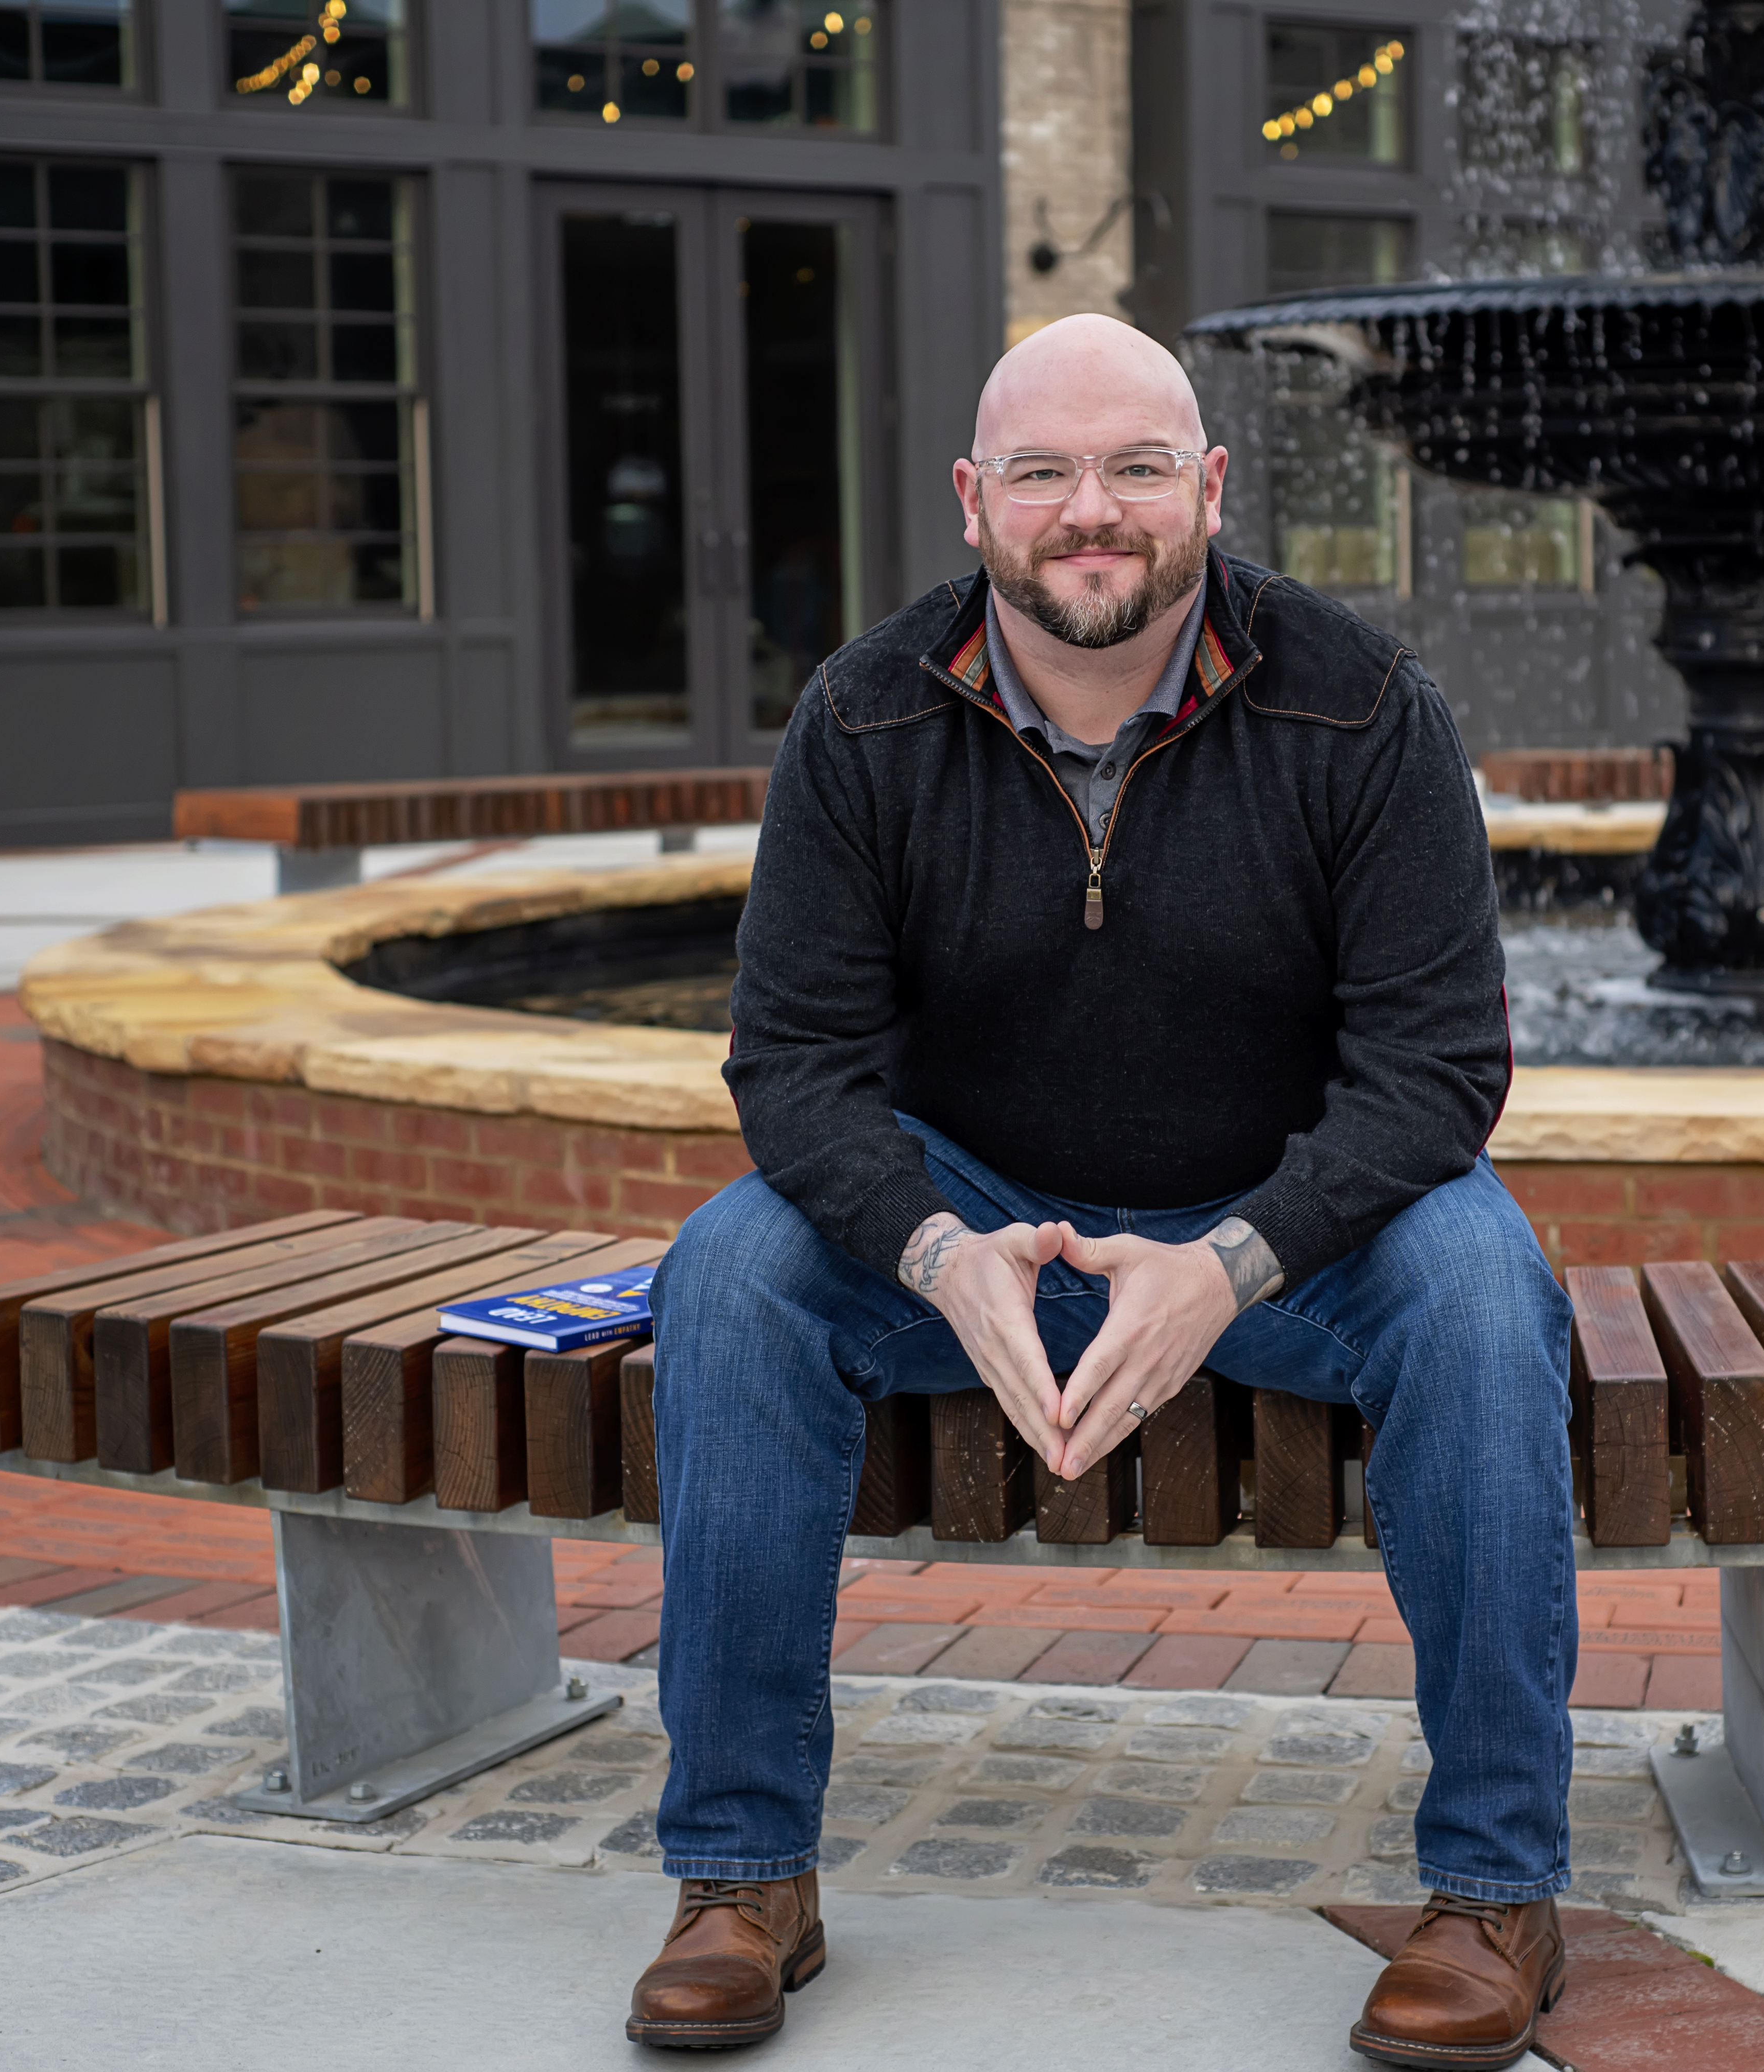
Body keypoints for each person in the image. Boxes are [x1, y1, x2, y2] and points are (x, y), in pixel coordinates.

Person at [632, 315, 1578, 2069]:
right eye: (1049, 473)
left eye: (1138, 467)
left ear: (1208, 489)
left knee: (1481, 1284)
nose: (1095, 510)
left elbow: (1438, 1073)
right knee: (733, 1272)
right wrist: (930, 1249)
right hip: (977, 1216)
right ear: (974, 501)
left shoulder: (1362, 705)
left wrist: (1233, 1260)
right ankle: (745, 1874)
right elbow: (794, 1070)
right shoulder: (863, 715)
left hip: (1287, 1229)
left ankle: (1499, 1887)